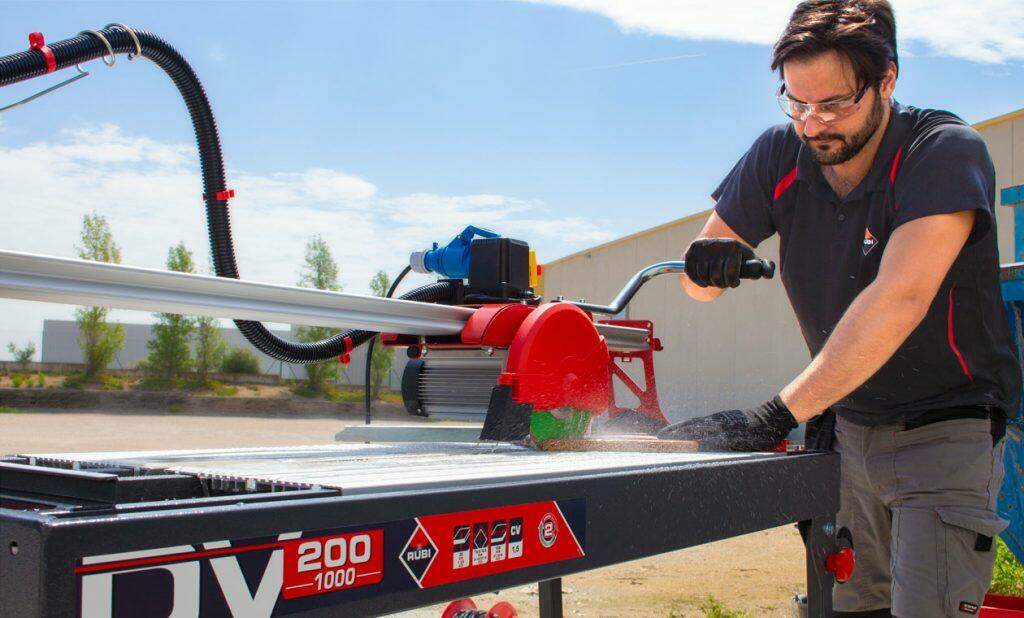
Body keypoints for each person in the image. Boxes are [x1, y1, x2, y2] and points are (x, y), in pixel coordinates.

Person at [659, 1, 1021, 616]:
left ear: (887, 80)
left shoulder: (942, 151)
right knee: (847, 607)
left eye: (833, 104)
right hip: (847, 429)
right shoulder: (780, 153)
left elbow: (898, 299)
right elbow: (698, 281)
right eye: (796, 102)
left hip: (945, 427)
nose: (813, 123)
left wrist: (778, 414)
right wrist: (706, 266)